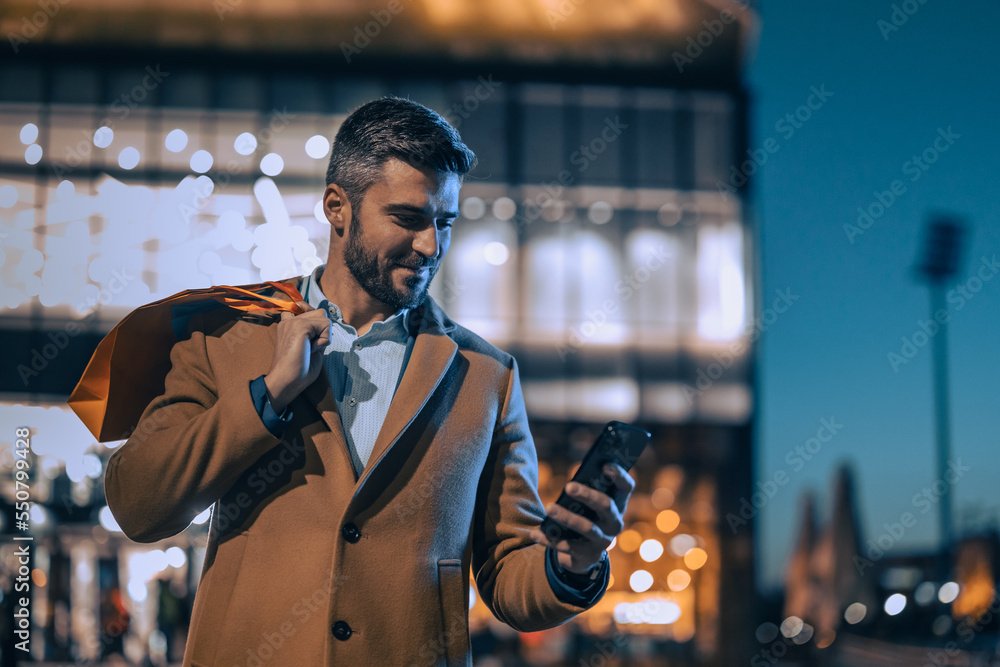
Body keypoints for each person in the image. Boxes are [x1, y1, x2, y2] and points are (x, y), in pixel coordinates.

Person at [104, 97, 635, 666]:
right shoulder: (225, 337)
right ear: (337, 207)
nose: (430, 246)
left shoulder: (486, 376)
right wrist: (267, 396)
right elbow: (139, 506)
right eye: (408, 218)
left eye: (445, 223)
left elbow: (508, 575)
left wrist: (571, 564)